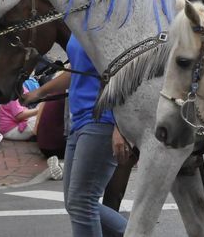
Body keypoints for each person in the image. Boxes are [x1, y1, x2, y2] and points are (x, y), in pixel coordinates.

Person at [21, 36, 129, 236]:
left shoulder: (110, 18)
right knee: (76, 203)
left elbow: (127, 73)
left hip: (101, 120)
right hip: (77, 121)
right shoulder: (80, 20)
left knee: (82, 202)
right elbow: (76, 70)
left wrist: (120, 125)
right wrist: (39, 93)